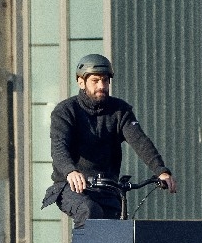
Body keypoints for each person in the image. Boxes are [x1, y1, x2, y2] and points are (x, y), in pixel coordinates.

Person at [42, 54, 176, 227]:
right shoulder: (66, 111)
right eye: (95, 81)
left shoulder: (119, 111)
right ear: (81, 82)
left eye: (105, 81)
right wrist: (70, 171)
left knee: (118, 231)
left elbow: (140, 141)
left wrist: (161, 170)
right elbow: (59, 147)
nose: (101, 86)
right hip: (71, 187)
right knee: (89, 210)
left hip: (107, 188)